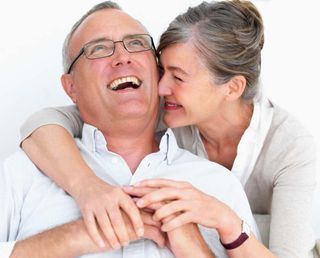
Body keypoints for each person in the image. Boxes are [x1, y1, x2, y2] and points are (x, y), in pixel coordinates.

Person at [19, 0, 318, 258]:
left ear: (232, 88)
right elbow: (45, 122)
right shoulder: (173, 111)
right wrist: (87, 188)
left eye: (178, 77)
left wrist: (227, 220)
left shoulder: (293, 152)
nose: (161, 87)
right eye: (163, 70)